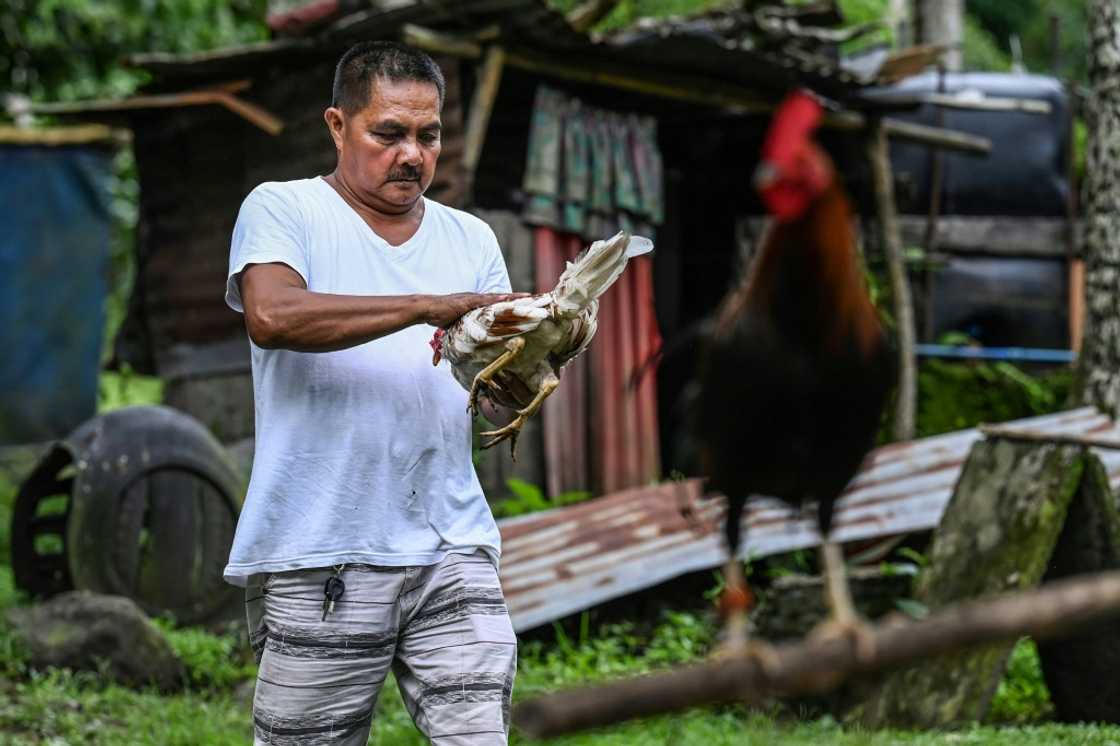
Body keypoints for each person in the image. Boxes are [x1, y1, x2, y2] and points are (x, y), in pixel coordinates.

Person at [224, 41, 523, 745]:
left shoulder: (471, 238)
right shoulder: (282, 210)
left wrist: (532, 355)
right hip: (320, 552)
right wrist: (422, 306)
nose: (412, 154)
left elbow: (494, 399)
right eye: (388, 133)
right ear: (337, 125)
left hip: (452, 547)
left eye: (428, 135)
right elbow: (272, 315)